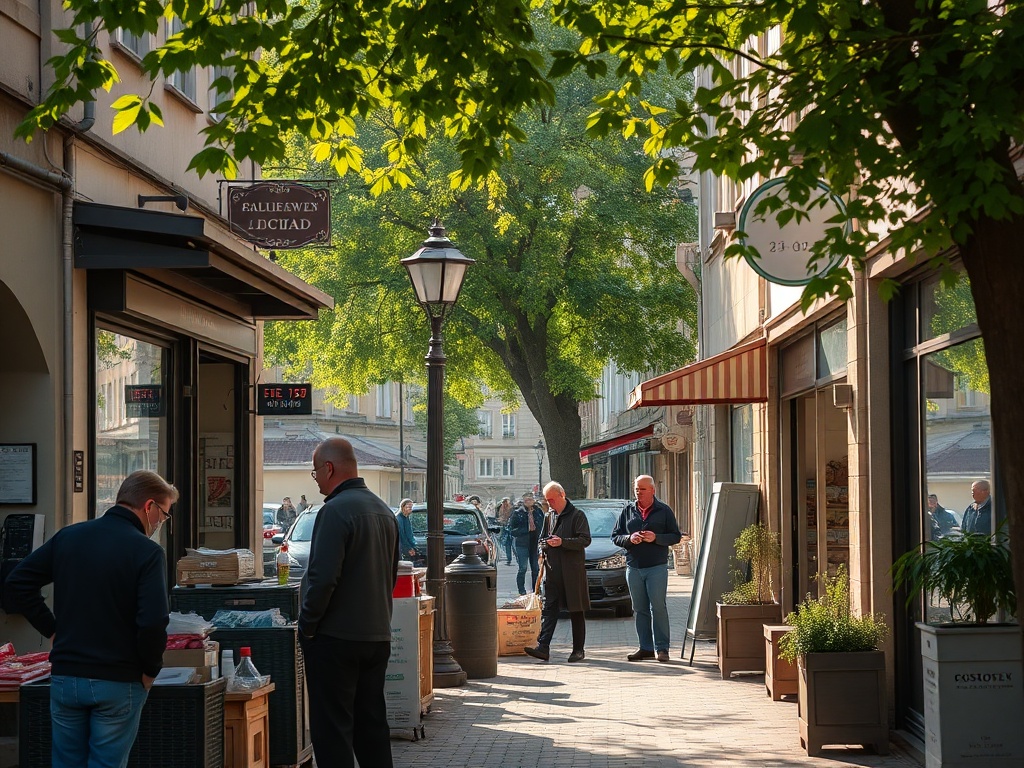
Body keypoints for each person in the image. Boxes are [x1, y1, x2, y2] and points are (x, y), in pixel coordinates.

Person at [5, 470, 177, 768]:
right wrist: (151, 669)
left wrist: (51, 628)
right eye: (163, 515)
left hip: (66, 675)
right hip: (119, 678)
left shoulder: (70, 537)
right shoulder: (147, 552)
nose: (160, 523)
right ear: (148, 506)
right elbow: (152, 621)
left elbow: (18, 581)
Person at [299, 437, 400, 768]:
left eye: (315, 473)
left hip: (336, 638)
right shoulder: (384, 510)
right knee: (371, 726)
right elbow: (390, 573)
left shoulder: (334, 511)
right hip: (376, 635)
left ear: (329, 468)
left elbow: (322, 578)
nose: (315, 481)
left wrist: (308, 627)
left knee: (332, 731)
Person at [612, 475, 682, 663]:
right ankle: (645, 648)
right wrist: (629, 538)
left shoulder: (663, 510)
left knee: (658, 607)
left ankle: (662, 648)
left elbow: (675, 536)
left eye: (642, 489)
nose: (638, 492)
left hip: (656, 566)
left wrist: (656, 537)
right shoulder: (627, 511)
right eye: (636, 489)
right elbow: (616, 536)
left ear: (653, 490)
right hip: (634, 567)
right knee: (639, 609)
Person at [524, 482, 592, 663]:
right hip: (553, 570)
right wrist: (543, 548)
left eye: (552, 499)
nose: (550, 503)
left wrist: (562, 542)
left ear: (562, 495)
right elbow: (542, 540)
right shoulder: (549, 516)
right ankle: (543, 647)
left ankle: (578, 649)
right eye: (547, 500)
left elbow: (585, 540)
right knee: (550, 608)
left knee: (576, 610)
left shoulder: (578, 515)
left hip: (572, 571)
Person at [508, 492, 544, 594]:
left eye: (530, 499)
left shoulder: (538, 512)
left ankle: (535, 590)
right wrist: (525, 530)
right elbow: (512, 530)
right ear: (523, 501)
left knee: (535, 569)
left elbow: (543, 526)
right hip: (522, 543)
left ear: (534, 500)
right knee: (523, 568)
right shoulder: (518, 512)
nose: (528, 501)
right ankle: (521, 590)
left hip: (535, 543)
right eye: (526, 499)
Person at [496, 497, 514, 565]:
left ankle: (515, 558)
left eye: (506, 502)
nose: (504, 504)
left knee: (512, 545)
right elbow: (500, 517)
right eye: (503, 502)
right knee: (507, 544)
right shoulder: (501, 509)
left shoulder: (512, 509)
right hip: (504, 529)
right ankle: (509, 559)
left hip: (511, 529)